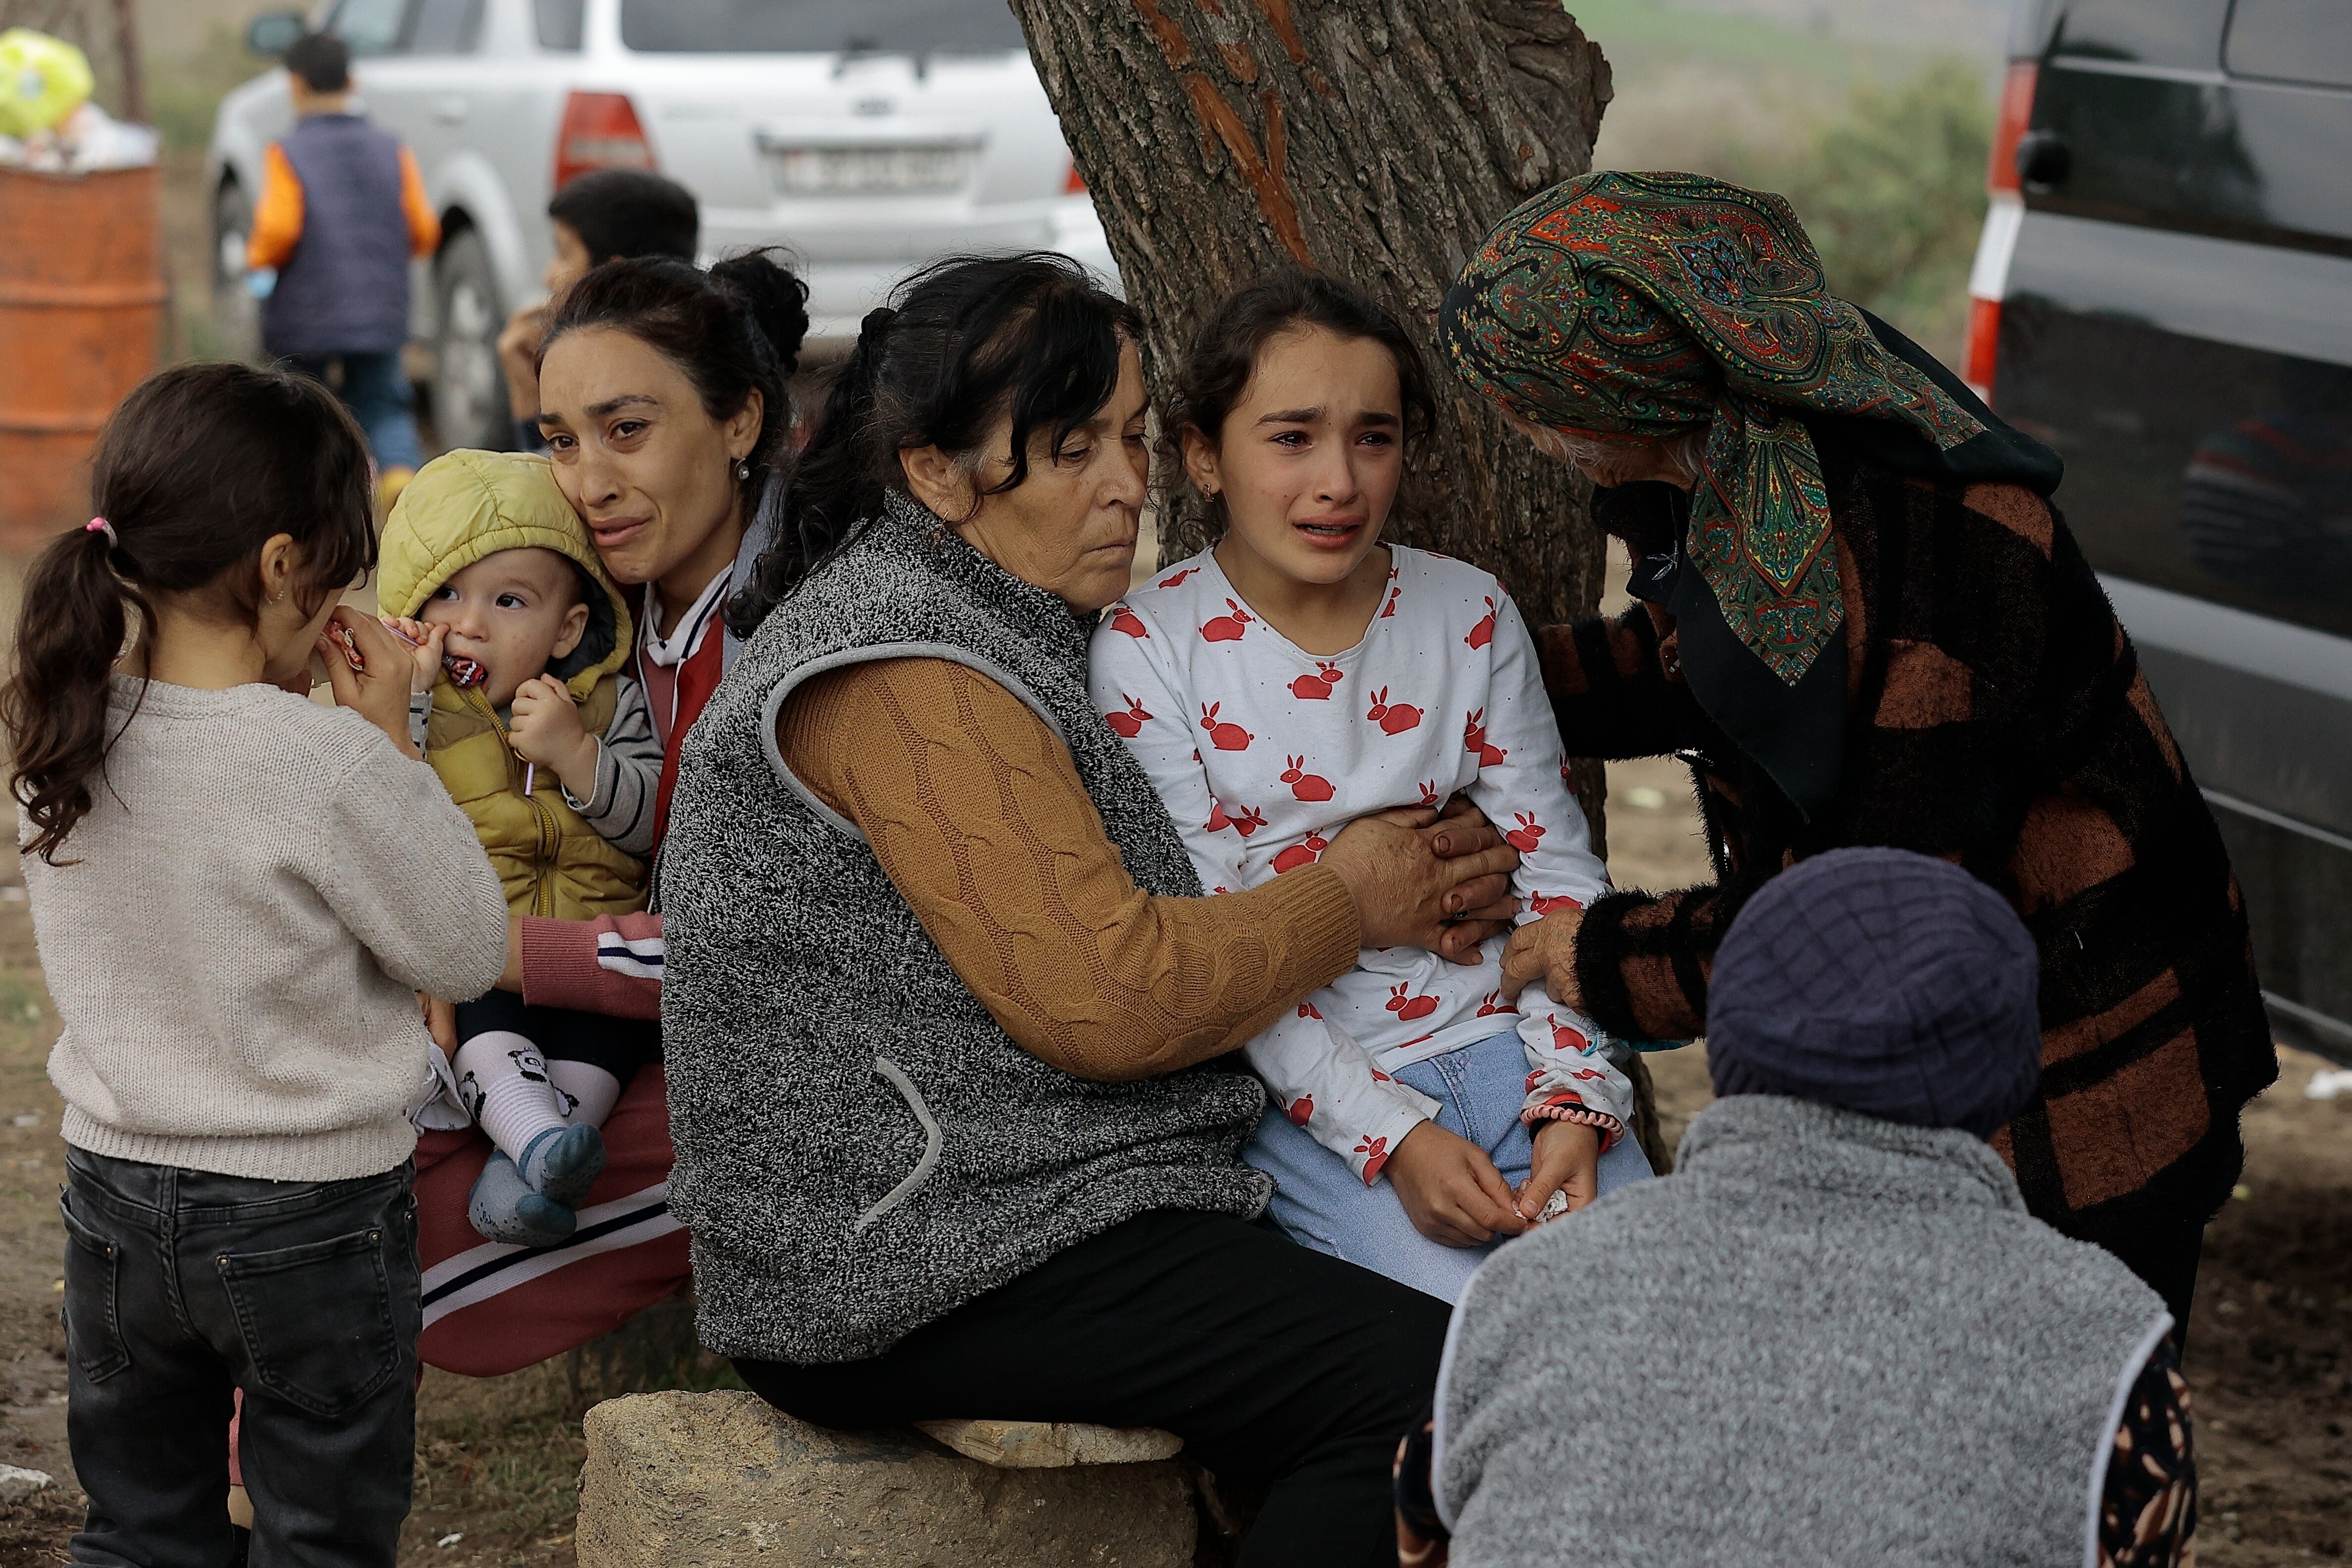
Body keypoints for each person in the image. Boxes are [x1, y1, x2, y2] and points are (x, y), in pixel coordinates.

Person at [660, 253, 1529, 1568]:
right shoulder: (905, 664)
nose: (1129, 482)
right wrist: (1349, 895)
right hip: (910, 1256)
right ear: (934, 472)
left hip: (1023, 1203)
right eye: (1071, 449)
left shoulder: (994, 610)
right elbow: (1106, 994)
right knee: (1428, 1391)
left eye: (1129, 436)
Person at [1441, 170, 2278, 1327]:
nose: (1517, 434)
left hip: (2076, 1085)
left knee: (2040, 1435)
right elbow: (1698, 666)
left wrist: (1596, 954)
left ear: (1619, 399)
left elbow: (1873, 923)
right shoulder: (1765, 472)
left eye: (1527, 405)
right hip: (1965, 1065)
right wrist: (1451, 677)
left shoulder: (1930, 552)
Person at [3, 363, 508, 1566]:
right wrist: (392, 739)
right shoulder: (317, 762)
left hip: (115, 1201)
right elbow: (465, 942)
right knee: (318, 1538)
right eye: (337, 572)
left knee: (139, 1531)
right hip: (309, 1218)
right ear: (284, 567)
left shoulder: (66, 725)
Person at [1092, 270, 1648, 1304]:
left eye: (1373, 437)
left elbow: (1558, 871)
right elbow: (1222, 935)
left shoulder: (1468, 614)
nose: (1338, 480)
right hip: (1313, 1097)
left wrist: (1575, 1096)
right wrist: (1394, 1138)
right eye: (1291, 437)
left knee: (1641, 1317)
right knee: (1450, 1346)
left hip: (1515, 1050)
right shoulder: (1148, 650)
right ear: (1204, 455)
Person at [1402, 848, 2195, 1568]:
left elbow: (1427, 1523)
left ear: (1732, 1036)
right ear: (2010, 1072)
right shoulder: (2104, 1341)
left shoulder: (1519, 1296)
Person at [400, 248, 809, 1378]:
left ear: (740, 423)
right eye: (560, 440)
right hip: (615, 1017)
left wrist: (497, 955)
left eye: (627, 431)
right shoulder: (594, 613)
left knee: (390, 1260)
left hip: (789, 1068)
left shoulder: (795, 644)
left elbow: (772, 958)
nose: (585, 482)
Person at [378, 450, 665, 1245]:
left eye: (509, 601)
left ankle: (522, 1177)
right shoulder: (419, 703)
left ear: (568, 625)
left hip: (588, 951)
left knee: (607, 1047)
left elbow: (651, 823)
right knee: (485, 1028)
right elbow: (386, 792)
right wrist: (409, 690)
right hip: (483, 952)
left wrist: (580, 756)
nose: (469, 623)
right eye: (445, 594)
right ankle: (536, 1142)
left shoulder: (609, 703)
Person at [245, 31, 439, 509]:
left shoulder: (288, 152)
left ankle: (310, 496)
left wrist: (257, 261)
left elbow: (279, 228)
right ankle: (396, 478)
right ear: (352, 81)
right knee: (382, 401)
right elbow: (423, 228)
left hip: (304, 311)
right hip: (378, 309)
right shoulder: (390, 147)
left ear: (295, 85)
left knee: (301, 401)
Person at [496, 168, 700, 450]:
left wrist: (527, 398)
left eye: (565, 253)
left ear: (612, 275)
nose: (549, 275)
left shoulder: (638, 380)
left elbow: (550, 488)